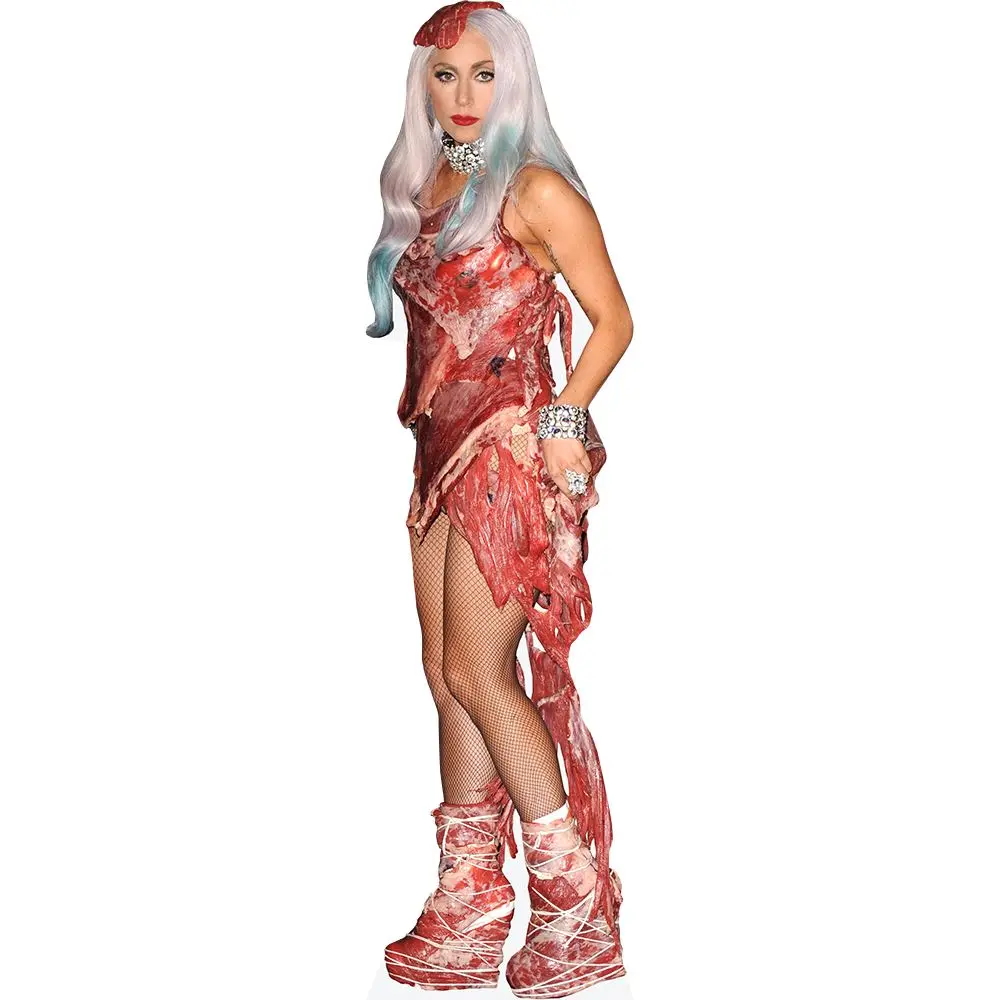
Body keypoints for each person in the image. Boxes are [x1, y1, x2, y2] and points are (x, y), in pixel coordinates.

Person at [365, 3, 633, 996]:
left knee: (481, 670)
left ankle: (575, 905)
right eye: (445, 77)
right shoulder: (428, 185)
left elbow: (613, 320)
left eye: (483, 75)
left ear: (512, 81)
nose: (464, 96)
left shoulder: (536, 190)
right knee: (446, 673)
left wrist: (564, 419)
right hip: (436, 456)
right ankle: (471, 898)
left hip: (508, 455)